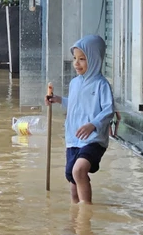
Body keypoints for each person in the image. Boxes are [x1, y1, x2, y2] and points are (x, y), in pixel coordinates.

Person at [45, 35, 115, 205]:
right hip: (73, 139)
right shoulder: (75, 83)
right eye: (75, 58)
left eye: (82, 59)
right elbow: (76, 104)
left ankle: (86, 209)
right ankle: (76, 212)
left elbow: (109, 110)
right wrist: (59, 100)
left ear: (95, 59)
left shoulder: (101, 85)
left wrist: (94, 124)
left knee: (78, 170)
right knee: (72, 179)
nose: (76, 63)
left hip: (93, 139)